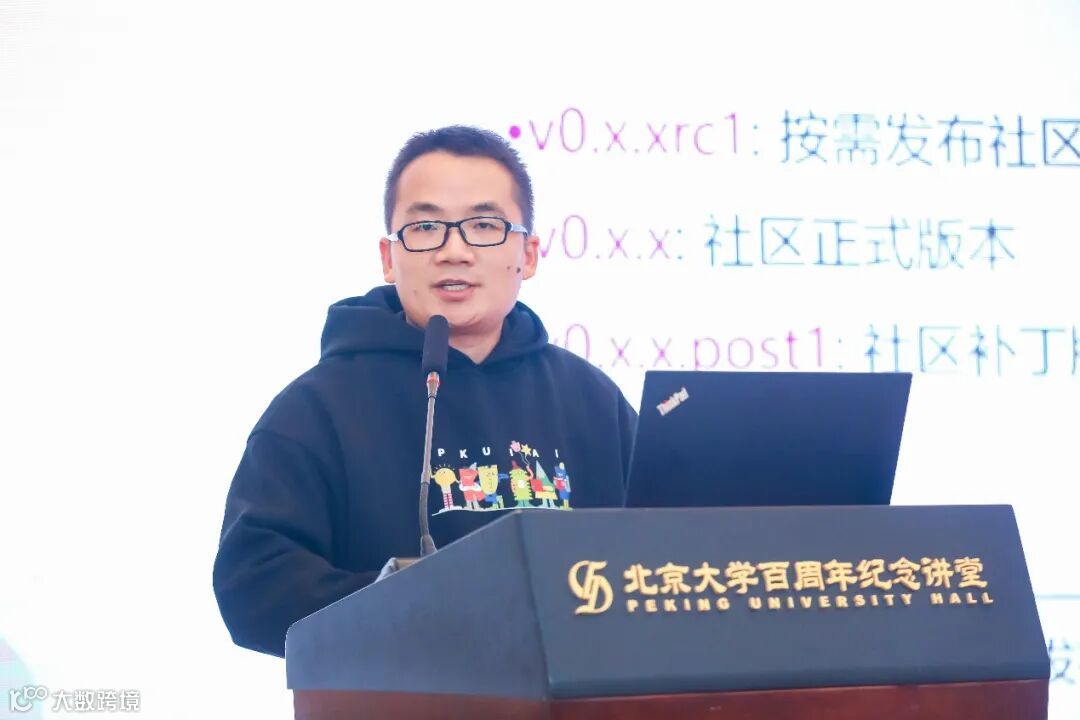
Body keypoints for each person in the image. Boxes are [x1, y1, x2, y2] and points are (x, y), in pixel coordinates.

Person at [212, 125, 637, 657]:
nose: (454, 251)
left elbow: (668, 560)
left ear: (528, 254)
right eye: (427, 227)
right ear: (389, 258)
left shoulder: (590, 400)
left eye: (484, 225)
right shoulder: (316, 409)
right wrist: (409, 602)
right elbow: (253, 589)